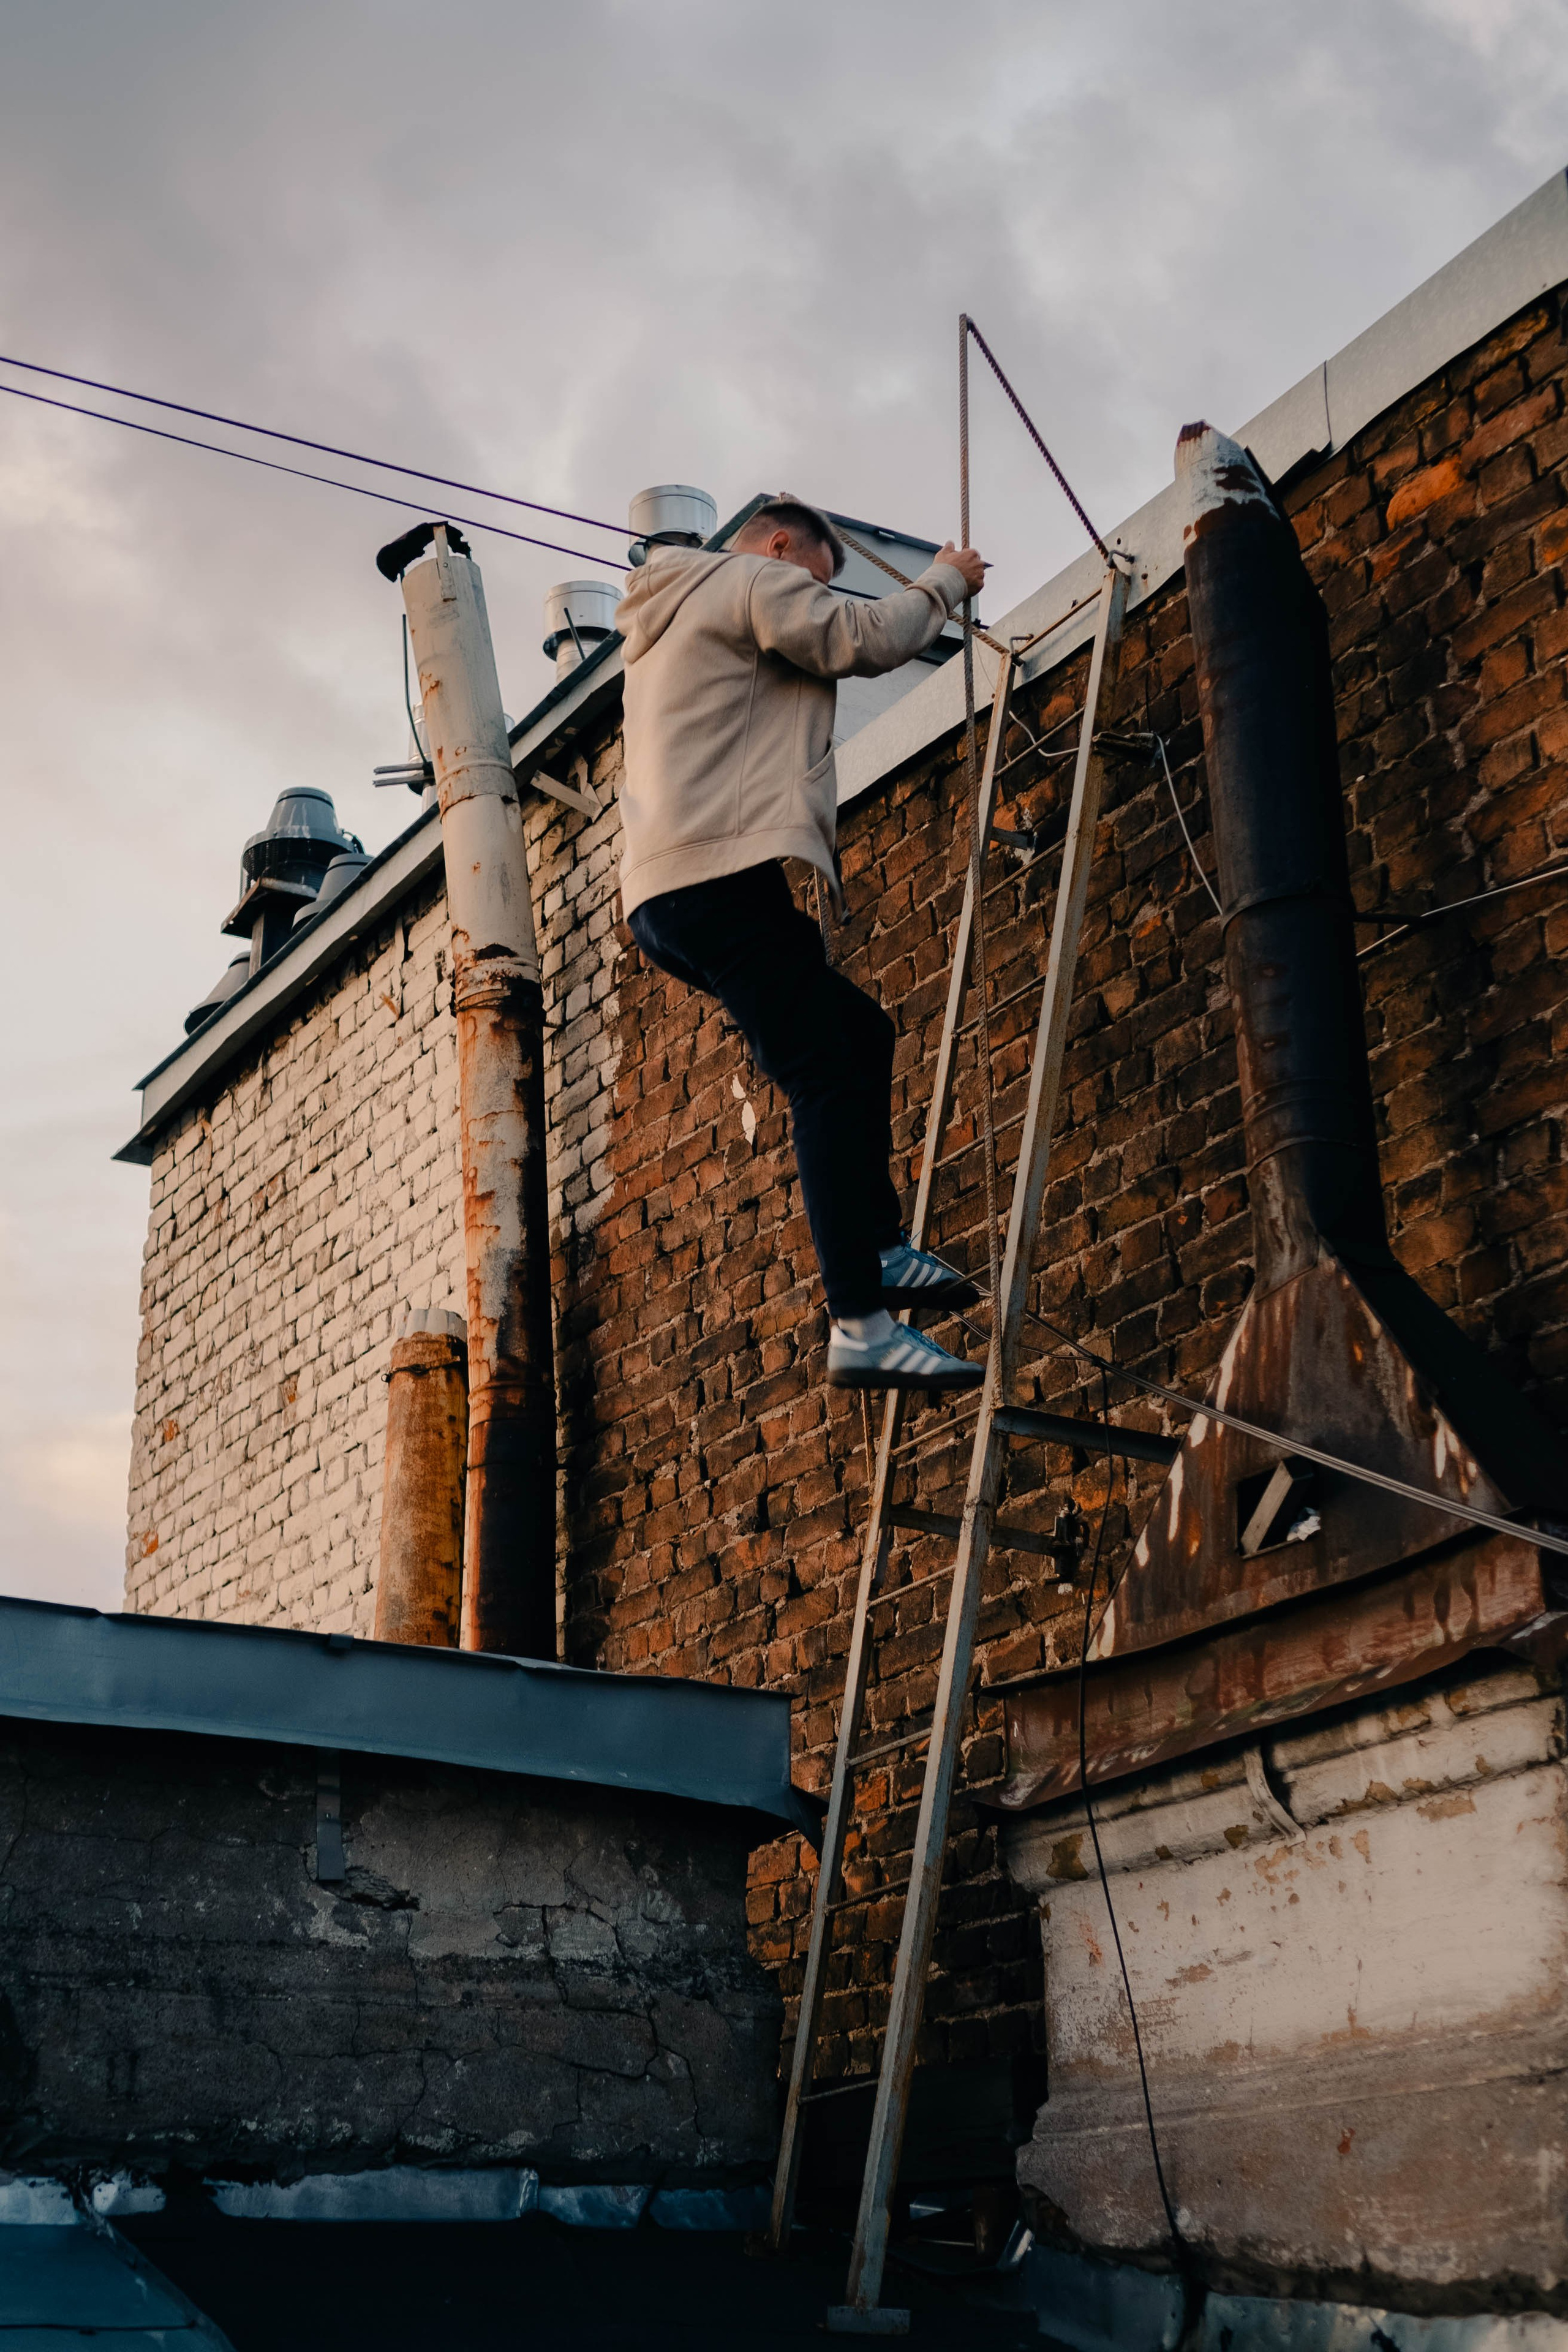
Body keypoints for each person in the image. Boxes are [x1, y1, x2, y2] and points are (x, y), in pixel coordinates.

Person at [617, 495, 988, 1392]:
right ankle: (859, 1320)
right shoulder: (749, 577)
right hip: (719, 878)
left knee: (860, 1032)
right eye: (816, 580)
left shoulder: (666, 622)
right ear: (782, 547)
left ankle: (878, 1245)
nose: (814, 596)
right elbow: (860, 640)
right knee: (824, 1069)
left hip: (669, 895)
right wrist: (948, 582)